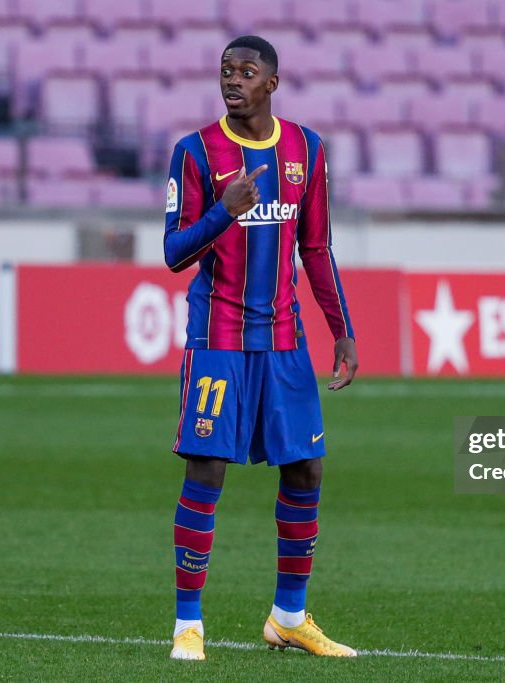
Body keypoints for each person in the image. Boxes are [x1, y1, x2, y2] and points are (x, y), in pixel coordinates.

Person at [162, 35, 359, 661]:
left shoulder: (307, 149)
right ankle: (188, 624)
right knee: (207, 469)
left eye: (246, 72)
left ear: (272, 82)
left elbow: (317, 248)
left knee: (306, 468)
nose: (233, 80)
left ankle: (289, 617)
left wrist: (342, 329)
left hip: (283, 339)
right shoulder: (194, 152)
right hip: (217, 337)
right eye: (226, 71)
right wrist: (223, 213)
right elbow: (173, 253)